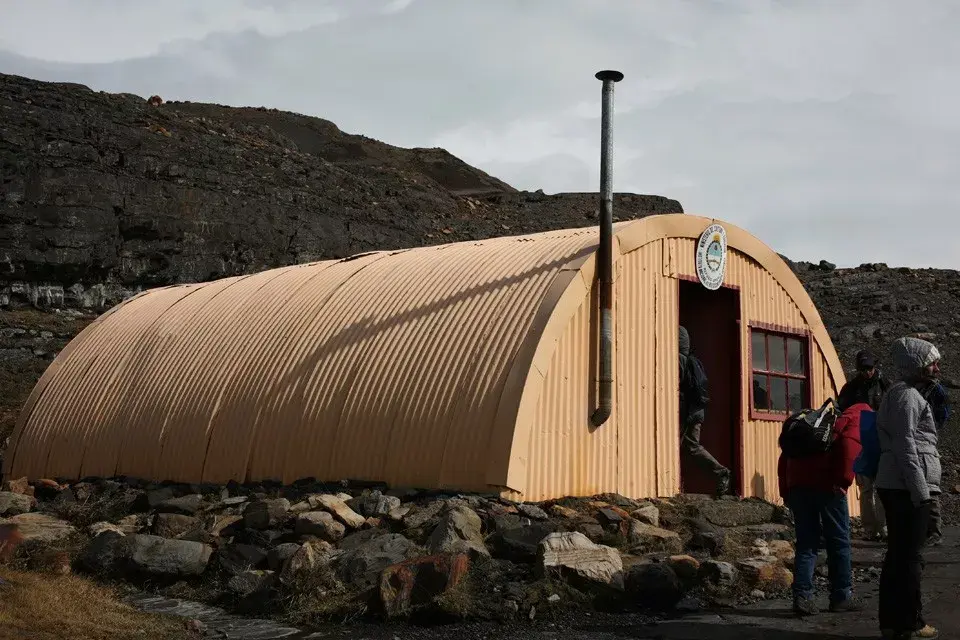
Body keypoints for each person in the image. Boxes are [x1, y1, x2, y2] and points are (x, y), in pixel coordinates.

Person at [875, 336, 942, 639]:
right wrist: (920, 491)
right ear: (917, 364)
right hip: (906, 488)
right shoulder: (908, 397)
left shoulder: (899, 393)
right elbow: (906, 445)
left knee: (898, 556)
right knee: (910, 559)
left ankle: (893, 622)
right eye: (931, 362)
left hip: (897, 484)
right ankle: (910, 623)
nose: (937, 368)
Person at [777, 401, 867, 616]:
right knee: (839, 542)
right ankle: (841, 596)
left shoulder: (809, 425)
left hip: (798, 488)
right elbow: (850, 449)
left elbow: (784, 458)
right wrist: (844, 481)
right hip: (828, 488)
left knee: (807, 543)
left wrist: (785, 491)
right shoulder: (854, 421)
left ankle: (802, 596)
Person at [839, 349, 892, 541]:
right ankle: (870, 529)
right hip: (861, 441)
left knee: (883, 485)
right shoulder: (851, 388)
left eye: (869, 368)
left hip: (881, 439)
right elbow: (841, 411)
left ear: (875, 366)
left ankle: (884, 527)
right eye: (863, 368)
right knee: (866, 487)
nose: (866, 372)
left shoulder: (886, 385)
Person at [678, 326, 731, 497]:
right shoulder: (693, 361)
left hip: (689, 412)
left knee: (689, 446)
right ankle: (719, 473)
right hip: (696, 410)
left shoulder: (679, 360)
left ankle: (720, 472)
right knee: (690, 446)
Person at [917, 378, 950, 546]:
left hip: (925, 446)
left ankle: (934, 531)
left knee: (929, 490)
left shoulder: (930, 391)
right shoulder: (926, 390)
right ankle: (930, 531)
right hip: (926, 444)